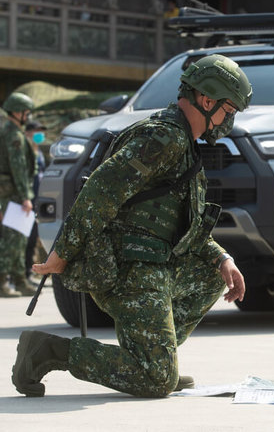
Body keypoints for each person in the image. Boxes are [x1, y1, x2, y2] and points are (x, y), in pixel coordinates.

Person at [12, 54, 253, 398]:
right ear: (207, 99)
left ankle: (153, 355)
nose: (229, 120)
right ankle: (50, 351)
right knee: (155, 381)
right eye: (229, 110)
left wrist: (222, 258)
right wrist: (62, 253)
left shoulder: (183, 143)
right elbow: (100, 190)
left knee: (214, 274)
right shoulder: (164, 137)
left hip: (153, 262)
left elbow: (189, 225)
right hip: (130, 265)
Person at [0, 92, 38, 297]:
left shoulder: (11, 130)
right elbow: (18, 167)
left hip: (13, 192)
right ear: (16, 112)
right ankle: (4, 282)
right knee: (13, 239)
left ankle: (19, 280)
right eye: (26, 112)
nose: (28, 116)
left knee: (19, 238)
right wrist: (25, 196)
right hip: (14, 193)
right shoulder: (13, 134)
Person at [24, 120, 49, 279]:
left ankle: (28, 273)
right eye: (36, 131)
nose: (40, 134)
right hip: (25, 201)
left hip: (38, 201)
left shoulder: (39, 152)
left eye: (41, 131)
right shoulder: (23, 151)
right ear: (28, 133)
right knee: (24, 239)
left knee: (33, 238)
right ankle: (20, 275)